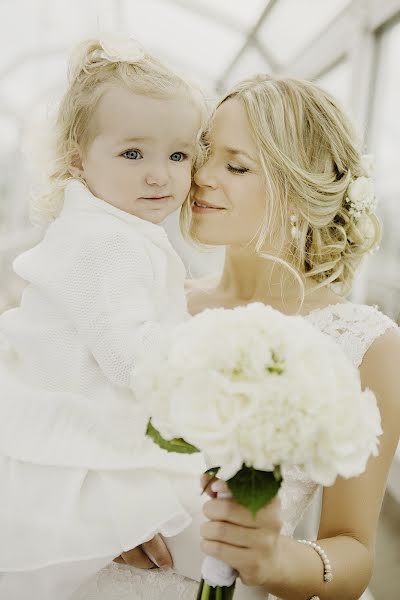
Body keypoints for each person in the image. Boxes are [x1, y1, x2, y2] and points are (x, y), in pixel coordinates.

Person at [75, 75, 400, 600]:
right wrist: (83, 516)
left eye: (237, 165)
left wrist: (274, 560)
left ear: (299, 190)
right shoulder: (144, 304)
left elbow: (354, 550)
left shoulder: (366, 343)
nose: (199, 175)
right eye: (201, 152)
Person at [0, 33, 209, 599]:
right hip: (80, 427)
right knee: (197, 527)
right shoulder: (106, 243)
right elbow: (129, 358)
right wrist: (206, 353)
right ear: (77, 159)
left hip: (68, 405)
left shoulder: (105, 227)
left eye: (179, 155)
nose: (159, 175)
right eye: (133, 153)